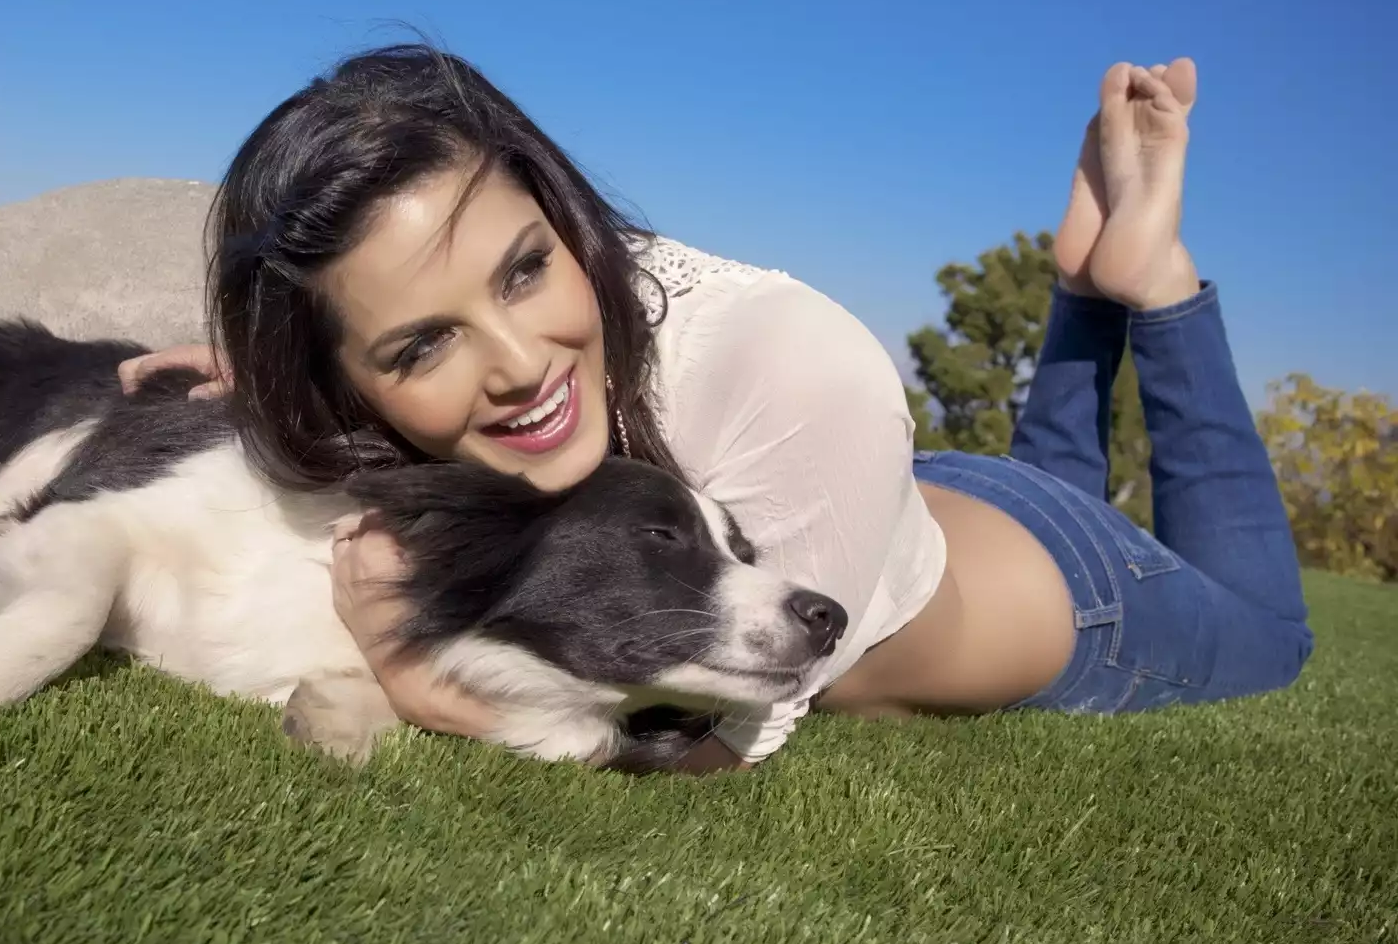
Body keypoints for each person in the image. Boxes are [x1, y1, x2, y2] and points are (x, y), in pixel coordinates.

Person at [117, 43, 1313, 772]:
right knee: (1045, 472)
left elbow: (707, 757)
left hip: (1079, 599)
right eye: (424, 341)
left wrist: (417, 676)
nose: (523, 365)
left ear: (563, 211)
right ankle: (1077, 300)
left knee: (1272, 634)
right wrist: (272, 382)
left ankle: (1150, 290)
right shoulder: (453, 387)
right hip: (912, 497)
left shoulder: (797, 368)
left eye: (527, 269)